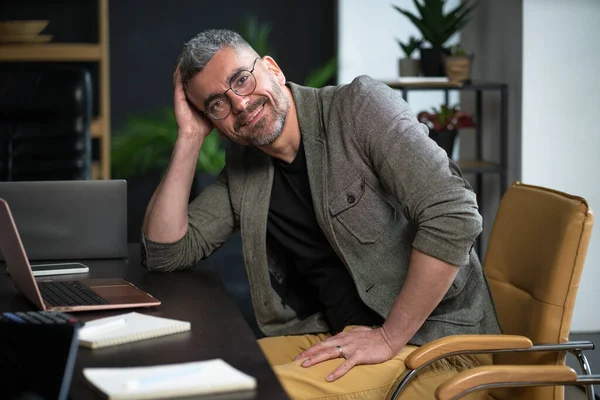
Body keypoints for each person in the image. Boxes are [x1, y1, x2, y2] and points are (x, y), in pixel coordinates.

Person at [141, 29, 501, 400]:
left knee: (245, 394)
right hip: (338, 335)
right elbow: (166, 253)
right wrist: (188, 136)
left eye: (242, 80)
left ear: (273, 69)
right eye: (217, 104)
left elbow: (454, 213)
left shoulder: (358, 107)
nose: (240, 105)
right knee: (194, 380)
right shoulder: (247, 167)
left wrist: (388, 337)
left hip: (435, 347)